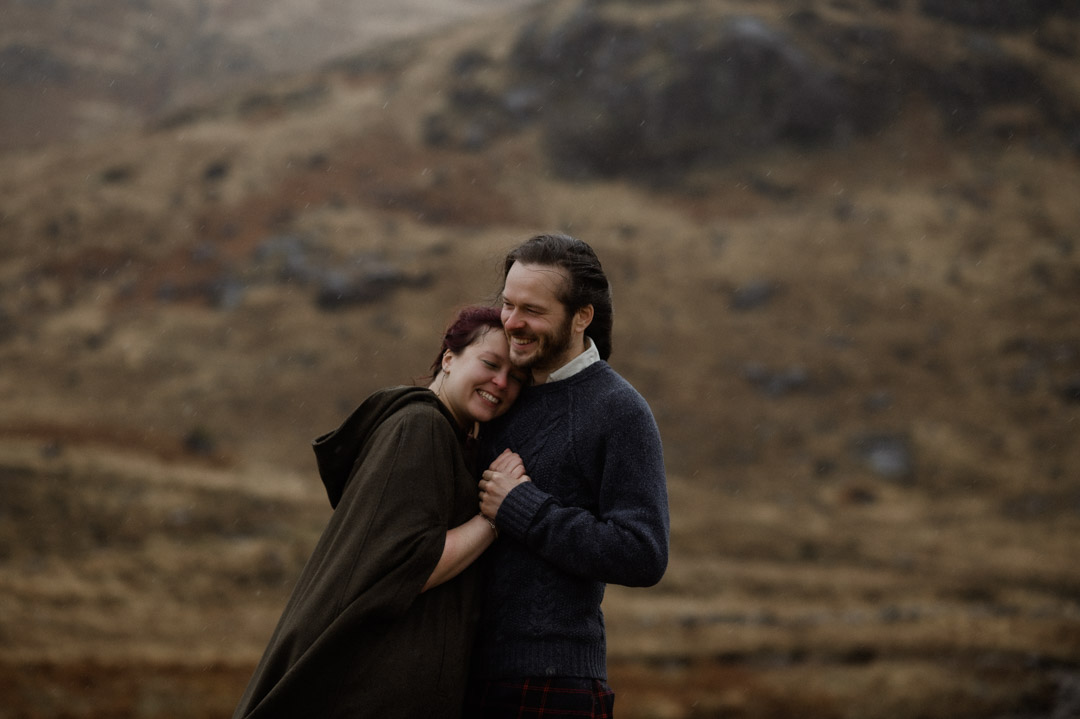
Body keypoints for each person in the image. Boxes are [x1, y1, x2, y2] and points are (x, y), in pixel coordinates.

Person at [232, 305, 525, 719]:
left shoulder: (447, 436)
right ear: (448, 358)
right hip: (368, 690)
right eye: (490, 364)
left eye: (516, 376)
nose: (501, 382)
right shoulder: (421, 427)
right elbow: (410, 563)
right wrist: (495, 516)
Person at [466, 233, 670, 717]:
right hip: (468, 675)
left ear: (582, 316)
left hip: (553, 686)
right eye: (508, 304)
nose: (512, 322)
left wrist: (523, 508)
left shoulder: (618, 410)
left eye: (532, 310)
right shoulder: (499, 395)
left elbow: (643, 552)